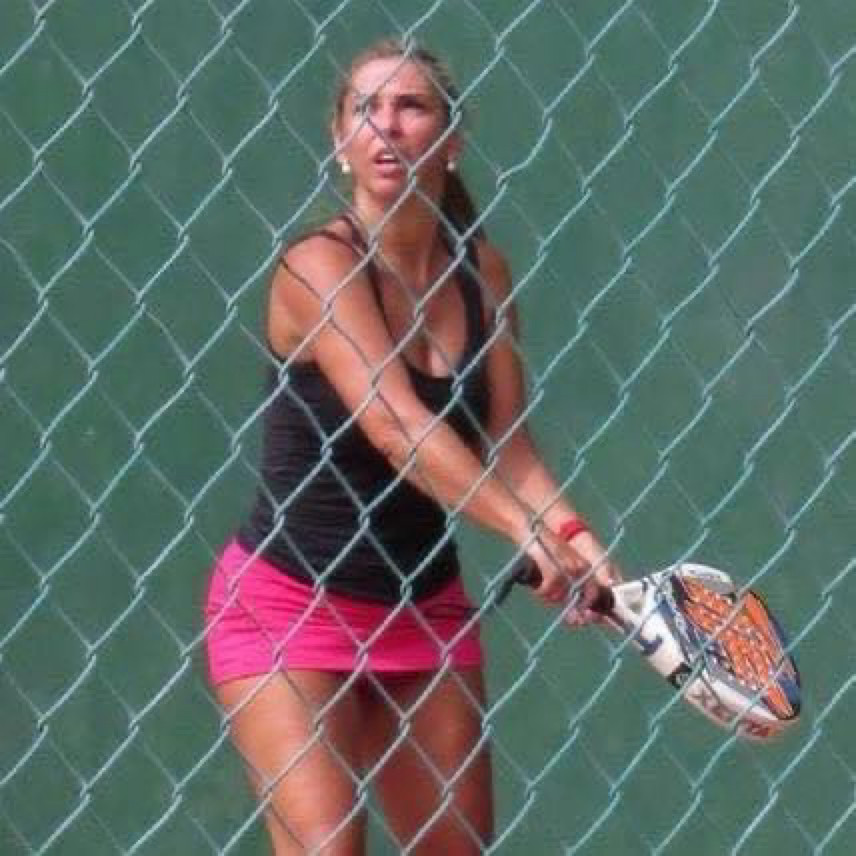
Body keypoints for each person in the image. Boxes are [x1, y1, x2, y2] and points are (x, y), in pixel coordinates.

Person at [203, 38, 622, 856]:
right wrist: (524, 532)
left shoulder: (483, 274)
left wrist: (577, 539)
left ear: (451, 139)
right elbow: (398, 427)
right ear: (340, 139)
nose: (386, 126)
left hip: (424, 610)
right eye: (365, 108)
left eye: (411, 106)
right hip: (289, 608)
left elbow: (511, 446)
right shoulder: (317, 266)